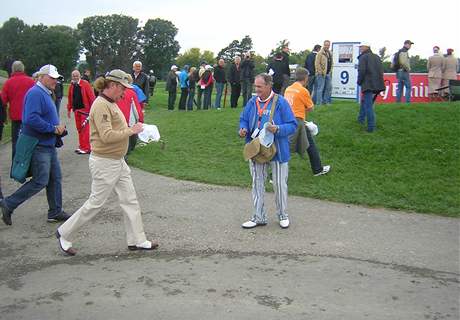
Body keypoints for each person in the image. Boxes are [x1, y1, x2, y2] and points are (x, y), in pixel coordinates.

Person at [55, 69, 158, 255]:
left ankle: (137, 240)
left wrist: (134, 130)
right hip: (105, 162)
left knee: (130, 200)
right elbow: (107, 136)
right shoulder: (101, 105)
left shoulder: (111, 102)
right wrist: (131, 130)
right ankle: (65, 232)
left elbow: (118, 127)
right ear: (113, 86)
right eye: (122, 88)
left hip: (117, 161)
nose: (125, 93)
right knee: (96, 203)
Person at [0, 64, 70, 226]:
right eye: (52, 78)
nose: (55, 81)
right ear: (42, 77)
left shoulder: (45, 92)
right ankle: (9, 203)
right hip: (39, 144)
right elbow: (30, 119)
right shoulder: (35, 93)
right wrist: (53, 128)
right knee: (40, 180)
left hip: (48, 143)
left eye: (56, 78)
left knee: (55, 178)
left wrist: (56, 129)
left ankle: (55, 211)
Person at [239, 73, 297, 229]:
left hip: (277, 150)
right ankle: (258, 217)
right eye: (255, 86)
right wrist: (243, 128)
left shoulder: (281, 103)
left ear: (269, 85)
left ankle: (283, 215)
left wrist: (278, 128)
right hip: (256, 149)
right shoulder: (252, 102)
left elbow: (293, 125)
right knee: (257, 183)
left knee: (279, 184)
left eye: (259, 86)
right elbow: (243, 118)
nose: (256, 89)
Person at [284, 67, 331, 176]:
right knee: (286, 147)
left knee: (310, 144)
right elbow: (310, 107)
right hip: (297, 120)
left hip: (288, 119)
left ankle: (317, 169)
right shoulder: (303, 91)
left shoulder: (288, 89)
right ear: (306, 78)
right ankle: (275, 174)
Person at [1, 60, 35, 159]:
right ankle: (28, 161)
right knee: (29, 138)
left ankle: (16, 162)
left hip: (15, 115)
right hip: (29, 115)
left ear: (12, 69)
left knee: (16, 140)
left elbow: (3, 100)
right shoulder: (30, 81)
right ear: (23, 68)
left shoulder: (8, 83)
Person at [357, 42, 385, 133]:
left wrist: (359, 81)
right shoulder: (377, 57)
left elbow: (361, 71)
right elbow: (381, 70)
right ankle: (360, 119)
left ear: (366, 47)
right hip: (378, 84)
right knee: (364, 101)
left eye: (361, 47)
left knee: (368, 106)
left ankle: (370, 127)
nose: (360, 48)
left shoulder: (363, 57)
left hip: (368, 84)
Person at [67, 70, 96, 154]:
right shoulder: (72, 86)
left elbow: (91, 97)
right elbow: (70, 98)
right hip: (77, 111)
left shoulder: (85, 84)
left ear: (79, 76)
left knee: (85, 130)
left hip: (85, 112)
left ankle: (86, 148)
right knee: (79, 129)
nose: (75, 77)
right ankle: (82, 146)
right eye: (73, 76)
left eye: (76, 75)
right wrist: (69, 109)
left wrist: (93, 110)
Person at [116, 74, 144, 157]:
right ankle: (126, 154)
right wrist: (141, 120)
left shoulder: (115, 92)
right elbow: (137, 109)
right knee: (128, 137)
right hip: (128, 119)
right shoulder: (132, 93)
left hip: (117, 119)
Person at [315, 40, 333, 105]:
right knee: (320, 88)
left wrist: (330, 71)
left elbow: (331, 63)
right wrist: (320, 72)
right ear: (323, 45)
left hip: (328, 73)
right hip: (321, 74)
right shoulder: (320, 53)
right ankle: (319, 103)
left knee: (328, 88)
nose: (327, 46)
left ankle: (326, 101)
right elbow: (317, 63)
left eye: (328, 45)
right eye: (326, 45)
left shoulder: (330, 53)